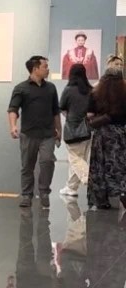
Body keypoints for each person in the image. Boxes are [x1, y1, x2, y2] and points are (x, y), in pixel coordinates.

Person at [8, 56, 61, 209]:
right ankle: (26, 195)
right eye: (45, 66)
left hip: (47, 134)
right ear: (35, 69)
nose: (48, 69)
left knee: (47, 161)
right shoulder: (21, 88)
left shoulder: (51, 88)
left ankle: (44, 192)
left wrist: (59, 129)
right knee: (27, 166)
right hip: (28, 134)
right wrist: (13, 126)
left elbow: (55, 111)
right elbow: (13, 109)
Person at [87, 66, 126, 211]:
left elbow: (89, 115)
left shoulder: (96, 93)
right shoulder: (124, 93)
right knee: (119, 164)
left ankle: (101, 199)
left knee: (100, 165)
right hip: (119, 135)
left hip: (101, 135)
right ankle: (122, 191)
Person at [60, 64, 94, 200]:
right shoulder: (91, 91)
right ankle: (71, 187)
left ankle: (89, 177)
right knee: (81, 158)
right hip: (87, 129)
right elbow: (93, 112)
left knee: (74, 158)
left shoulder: (68, 90)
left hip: (72, 129)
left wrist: (70, 116)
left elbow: (62, 108)